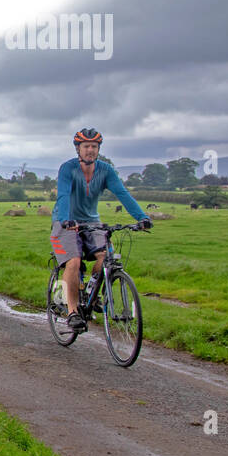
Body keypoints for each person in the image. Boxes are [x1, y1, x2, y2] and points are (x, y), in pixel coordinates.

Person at [51, 128, 151, 334]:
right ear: (78, 149)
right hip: (65, 221)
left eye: (94, 147)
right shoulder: (68, 168)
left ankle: (93, 294)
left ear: (98, 149)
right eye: (86, 146)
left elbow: (122, 194)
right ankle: (72, 312)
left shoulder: (106, 170)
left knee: (107, 257)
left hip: (92, 221)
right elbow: (63, 195)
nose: (90, 150)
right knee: (74, 261)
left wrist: (142, 217)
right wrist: (65, 219)